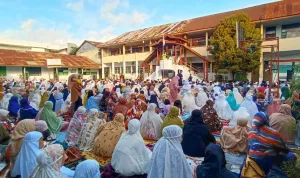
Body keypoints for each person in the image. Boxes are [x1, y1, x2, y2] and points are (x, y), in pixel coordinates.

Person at [242, 112, 290, 177]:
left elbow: (249, 146)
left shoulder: (251, 131)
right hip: (267, 160)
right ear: (266, 119)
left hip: (253, 160)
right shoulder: (274, 133)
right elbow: (283, 148)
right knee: (290, 156)